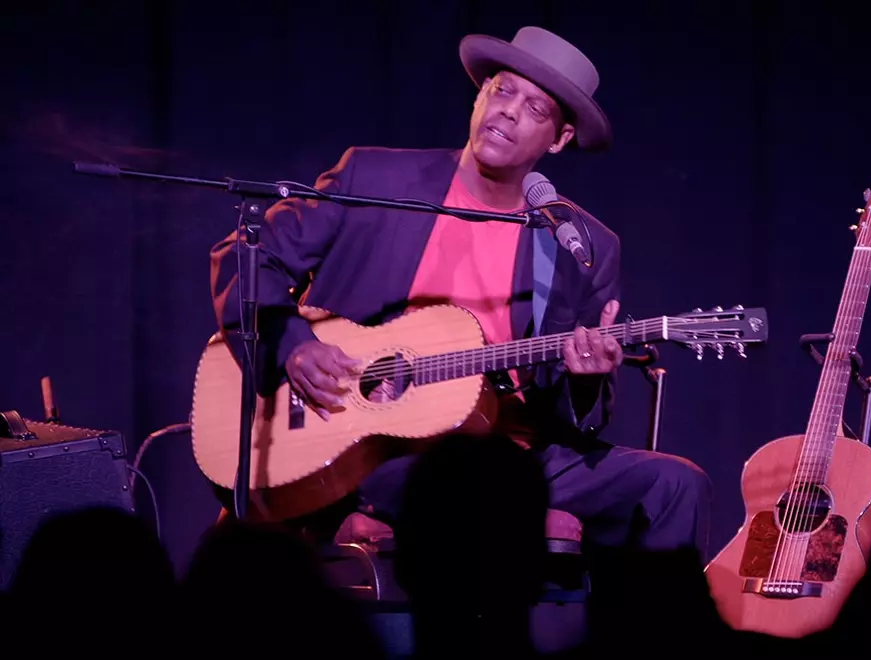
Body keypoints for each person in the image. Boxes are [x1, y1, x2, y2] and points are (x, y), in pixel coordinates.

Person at [209, 26, 713, 558]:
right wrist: (294, 346)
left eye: (535, 109)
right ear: (479, 97)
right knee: (472, 485)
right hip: (365, 441)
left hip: (511, 457)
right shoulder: (376, 179)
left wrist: (587, 381)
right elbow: (246, 256)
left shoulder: (580, 246)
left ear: (560, 139)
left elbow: (581, 416)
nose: (509, 112)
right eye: (502, 90)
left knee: (677, 485)